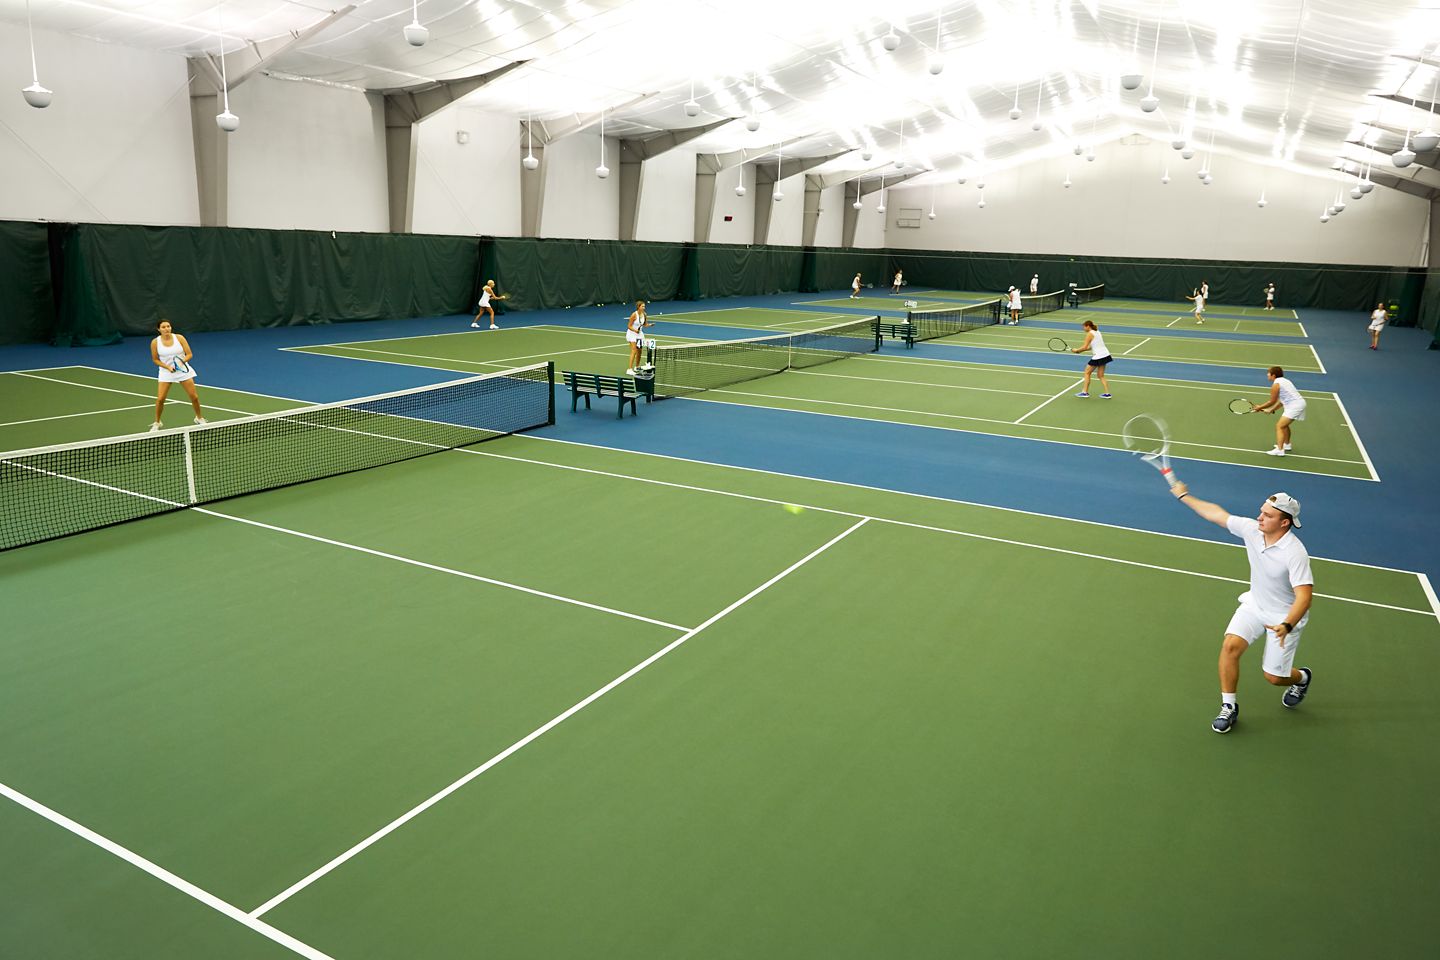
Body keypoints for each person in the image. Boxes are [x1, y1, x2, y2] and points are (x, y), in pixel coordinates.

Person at [1169, 483, 1313, 734]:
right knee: (1230, 646)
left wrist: (1287, 624)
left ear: (1284, 523)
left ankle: (1302, 678)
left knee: (1274, 678)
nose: (1260, 517)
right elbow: (1217, 514)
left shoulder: (1295, 553)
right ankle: (1229, 706)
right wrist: (1184, 496)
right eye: (1261, 511)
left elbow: (1304, 596)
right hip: (1255, 605)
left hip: (1283, 618)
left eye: (1268, 515)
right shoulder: (1252, 530)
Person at [149, 320, 205, 431]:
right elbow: (155, 360)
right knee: (160, 399)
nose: (166, 329)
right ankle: (157, 422)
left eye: (168, 326)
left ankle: (199, 418)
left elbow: (189, 354)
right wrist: (168, 367)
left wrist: (180, 363)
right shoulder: (155, 342)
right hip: (166, 372)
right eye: (163, 327)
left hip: (183, 370)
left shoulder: (179, 338)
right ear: (159, 329)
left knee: (194, 397)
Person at [1252, 365, 1306, 456]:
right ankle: (1287, 445)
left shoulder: (1276, 385)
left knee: (1279, 426)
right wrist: (1271, 410)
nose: (1267, 375)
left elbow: (1272, 401)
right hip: (1297, 404)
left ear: (1273, 375)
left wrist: (1259, 407)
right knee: (1284, 425)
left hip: (1295, 405)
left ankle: (1280, 450)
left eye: (1269, 373)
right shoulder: (1285, 381)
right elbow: (1282, 401)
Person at [1071, 320, 1113, 398]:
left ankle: (1085, 392)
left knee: (1087, 372)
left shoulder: (1089, 334)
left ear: (1088, 326)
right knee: (1101, 375)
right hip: (1105, 355)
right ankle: (1107, 394)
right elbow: (1091, 347)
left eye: (1084, 327)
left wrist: (1077, 350)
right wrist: (1079, 351)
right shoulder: (1097, 332)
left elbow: (1085, 347)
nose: (1083, 328)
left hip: (1098, 356)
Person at [625, 300, 653, 376]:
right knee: (634, 350)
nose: (644, 307)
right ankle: (629, 369)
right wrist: (635, 330)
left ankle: (637, 367)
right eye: (642, 306)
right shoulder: (634, 315)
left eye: (644, 306)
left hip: (639, 335)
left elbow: (644, 324)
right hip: (632, 334)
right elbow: (629, 326)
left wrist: (650, 325)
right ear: (638, 307)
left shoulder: (644, 314)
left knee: (639, 351)